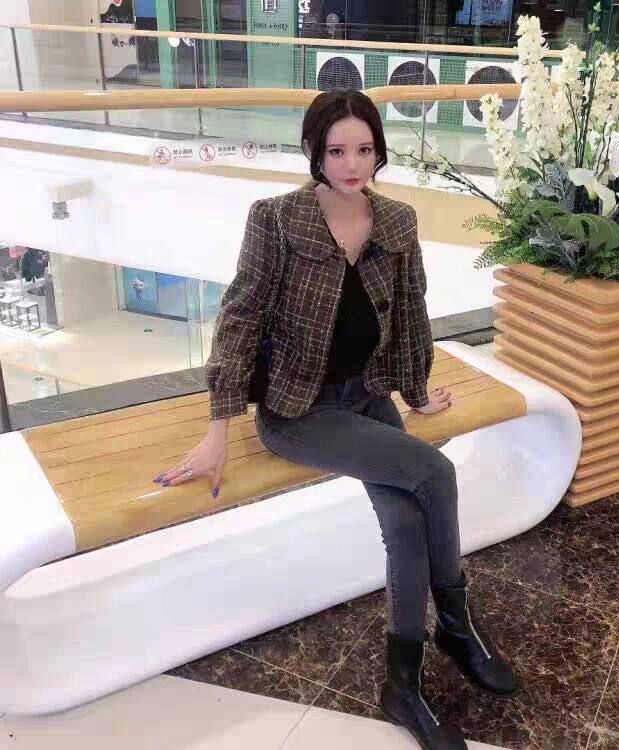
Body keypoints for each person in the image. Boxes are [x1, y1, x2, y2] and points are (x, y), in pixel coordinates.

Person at [153, 88, 517, 750]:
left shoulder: (397, 220)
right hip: (299, 411)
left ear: (379, 151)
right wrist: (218, 426)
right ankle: (458, 627)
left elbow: (411, 313)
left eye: (365, 149)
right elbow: (239, 318)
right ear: (313, 152)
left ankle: (402, 685)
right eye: (338, 150)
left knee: (405, 525)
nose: (353, 164)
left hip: (368, 396)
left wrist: (415, 393)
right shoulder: (276, 219)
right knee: (434, 473)